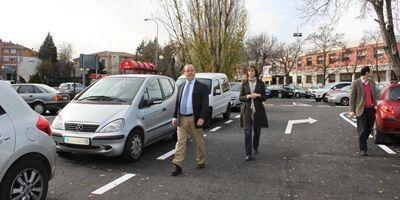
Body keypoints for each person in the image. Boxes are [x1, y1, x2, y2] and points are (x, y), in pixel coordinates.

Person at [171, 64, 209, 176]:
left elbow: (205, 104)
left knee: (198, 142)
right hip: (181, 119)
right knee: (180, 142)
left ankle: (201, 160)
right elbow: (177, 103)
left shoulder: (202, 87)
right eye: (187, 71)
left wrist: (202, 117)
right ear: (184, 72)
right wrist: (174, 116)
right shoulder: (181, 86)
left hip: (194, 118)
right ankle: (177, 165)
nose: (190, 72)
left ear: (195, 71)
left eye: (191, 70)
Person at [239, 65, 269, 161]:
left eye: (252, 71)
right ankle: (248, 154)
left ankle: (255, 146)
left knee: (257, 132)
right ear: (247, 72)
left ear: (255, 72)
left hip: (258, 112)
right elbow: (240, 97)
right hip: (247, 111)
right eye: (249, 71)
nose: (251, 72)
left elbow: (264, 97)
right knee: (247, 133)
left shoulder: (261, 83)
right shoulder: (244, 83)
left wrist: (258, 95)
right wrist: (248, 96)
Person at [349, 66, 377, 156]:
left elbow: (374, 95)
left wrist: (375, 105)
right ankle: (363, 150)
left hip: (371, 109)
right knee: (362, 129)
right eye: (370, 72)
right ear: (366, 73)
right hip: (361, 109)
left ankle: (361, 139)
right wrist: (351, 110)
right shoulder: (356, 83)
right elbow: (352, 97)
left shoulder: (372, 83)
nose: (371, 73)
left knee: (369, 128)